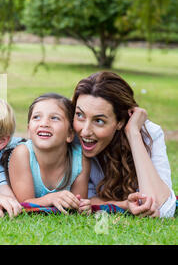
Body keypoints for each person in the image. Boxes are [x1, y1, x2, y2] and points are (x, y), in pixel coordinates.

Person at [72, 71, 176, 218]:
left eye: (99, 120)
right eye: (80, 115)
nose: (85, 131)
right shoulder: (70, 136)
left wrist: (133, 133)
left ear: (120, 121)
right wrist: (123, 205)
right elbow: (79, 201)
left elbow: (161, 208)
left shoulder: (148, 135)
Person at [3, 93, 91, 214]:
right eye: (36, 117)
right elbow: (23, 204)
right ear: (29, 130)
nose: (44, 123)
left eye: (54, 118)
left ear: (70, 134)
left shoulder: (80, 159)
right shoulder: (22, 154)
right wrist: (51, 198)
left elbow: (77, 202)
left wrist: (82, 206)